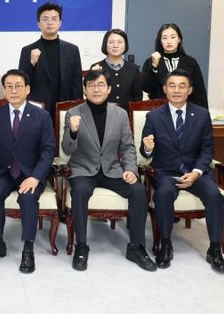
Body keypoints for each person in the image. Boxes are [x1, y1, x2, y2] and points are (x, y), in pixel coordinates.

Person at [62, 70, 156, 272]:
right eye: (91, 85)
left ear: (109, 89)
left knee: (139, 191)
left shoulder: (120, 114)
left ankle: (136, 247)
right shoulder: (73, 113)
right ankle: (81, 246)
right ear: (85, 90)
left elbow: (127, 147)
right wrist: (73, 131)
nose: (96, 89)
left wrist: (130, 169)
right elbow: (67, 149)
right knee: (79, 192)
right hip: (84, 169)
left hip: (112, 169)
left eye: (101, 85)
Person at [140, 69, 224, 273]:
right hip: (166, 172)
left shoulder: (202, 115)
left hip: (196, 172)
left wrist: (196, 172)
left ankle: (214, 249)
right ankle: (166, 244)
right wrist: (148, 148)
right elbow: (145, 151)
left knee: (215, 196)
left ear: (190, 90)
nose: (177, 90)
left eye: (182, 86)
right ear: (164, 89)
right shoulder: (154, 116)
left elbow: (207, 150)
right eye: (172, 85)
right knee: (163, 194)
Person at [0, 69, 55, 272]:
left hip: (30, 173)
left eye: (18, 86)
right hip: (3, 171)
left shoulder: (42, 116)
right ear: (4, 90)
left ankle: (28, 248)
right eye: (9, 86)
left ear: (27, 89)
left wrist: (36, 177)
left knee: (28, 198)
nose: (14, 90)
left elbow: (48, 150)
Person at [18, 2, 83, 116]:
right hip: (37, 109)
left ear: (60, 23)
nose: (50, 22)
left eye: (54, 19)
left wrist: (77, 109)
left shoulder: (72, 50)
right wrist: (32, 63)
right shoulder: (27, 50)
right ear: (38, 24)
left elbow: (77, 83)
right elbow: (22, 83)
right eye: (45, 19)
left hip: (65, 107)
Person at [141, 23, 208, 109]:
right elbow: (147, 88)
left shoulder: (190, 62)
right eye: (165, 38)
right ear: (160, 41)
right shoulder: (151, 61)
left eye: (173, 37)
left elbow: (200, 93)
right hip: (159, 110)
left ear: (179, 39)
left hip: (185, 109)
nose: (169, 41)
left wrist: (204, 114)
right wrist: (154, 67)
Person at [90, 28, 142, 111]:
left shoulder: (133, 69)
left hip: (126, 116)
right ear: (105, 45)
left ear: (125, 45)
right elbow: (90, 96)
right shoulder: (96, 67)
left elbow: (137, 98)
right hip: (101, 114)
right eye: (111, 42)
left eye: (120, 42)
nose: (115, 45)